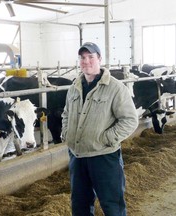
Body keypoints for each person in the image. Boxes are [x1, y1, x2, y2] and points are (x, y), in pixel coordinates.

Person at [61, 42, 138, 216]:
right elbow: (66, 114)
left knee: (112, 204)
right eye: (82, 57)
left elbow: (130, 120)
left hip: (104, 156)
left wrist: (106, 139)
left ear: (100, 59)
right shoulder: (74, 87)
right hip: (77, 155)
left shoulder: (116, 88)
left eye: (90, 57)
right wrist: (67, 133)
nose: (86, 61)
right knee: (79, 204)